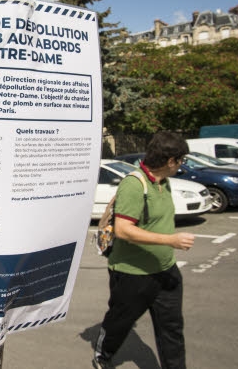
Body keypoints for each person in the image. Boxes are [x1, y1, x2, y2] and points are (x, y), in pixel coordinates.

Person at [93, 132, 195, 368]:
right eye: (181, 160)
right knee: (120, 322)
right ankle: (103, 355)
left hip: (166, 270)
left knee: (172, 329)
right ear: (171, 161)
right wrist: (171, 240)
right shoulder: (134, 184)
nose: (182, 165)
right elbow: (123, 230)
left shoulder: (163, 181)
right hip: (132, 274)